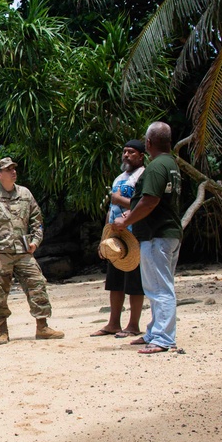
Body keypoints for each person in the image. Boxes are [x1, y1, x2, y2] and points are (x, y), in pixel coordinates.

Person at [0, 157, 64, 344]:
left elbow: (37, 220)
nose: (13, 171)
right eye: (9, 169)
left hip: (23, 251)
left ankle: (42, 327)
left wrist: (36, 241)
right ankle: (2, 331)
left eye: (14, 168)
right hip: (0, 253)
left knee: (37, 284)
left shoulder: (25, 193)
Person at [111, 122, 183, 354]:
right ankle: (154, 331)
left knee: (160, 288)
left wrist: (126, 220)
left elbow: (149, 200)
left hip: (157, 234)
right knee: (156, 285)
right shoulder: (171, 164)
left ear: (149, 143)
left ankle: (163, 338)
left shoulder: (156, 167)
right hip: (168, 233)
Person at [91, 139, 146, 338]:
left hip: (134, 234)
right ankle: (113, 323)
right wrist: (104, 237)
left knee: (134, 282)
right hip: (116, 236)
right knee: (114, 281)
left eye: (131, 152)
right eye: (124, 152)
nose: (126, 155)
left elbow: (144, 204)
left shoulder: (144, 176)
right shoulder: (118, 178)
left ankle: (133, 325)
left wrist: (119, 200)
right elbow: (111, 210)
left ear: (141, 156)